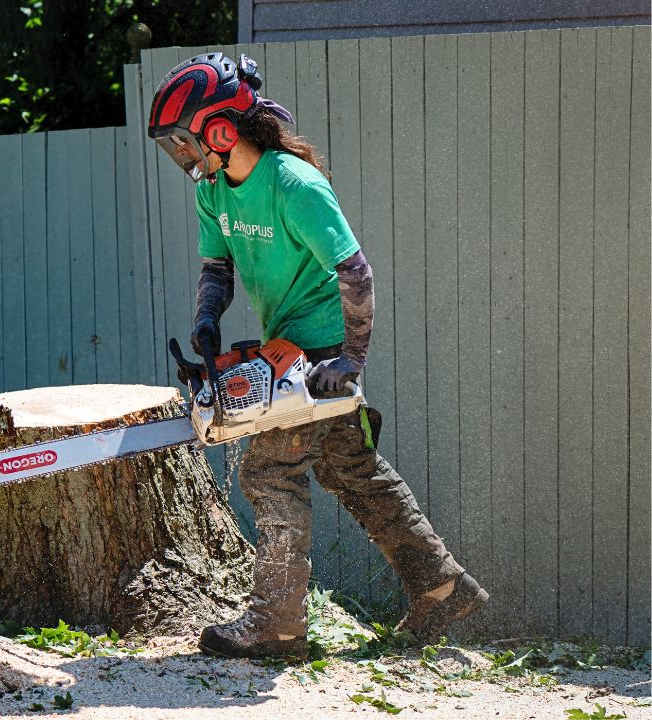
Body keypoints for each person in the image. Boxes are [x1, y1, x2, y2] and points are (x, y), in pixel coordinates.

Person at [148, 52, 488, 660]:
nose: (186, 156)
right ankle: (440, 586)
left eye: (187, 141)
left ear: (221, 129)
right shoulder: (214, 193)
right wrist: (207, 319)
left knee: (269, 472)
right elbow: (217, 266)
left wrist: (351, 361)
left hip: (324, 350)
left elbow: (355, 273)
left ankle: (276, 627)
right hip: (288, 341)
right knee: (349, 469)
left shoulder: (294, 184)